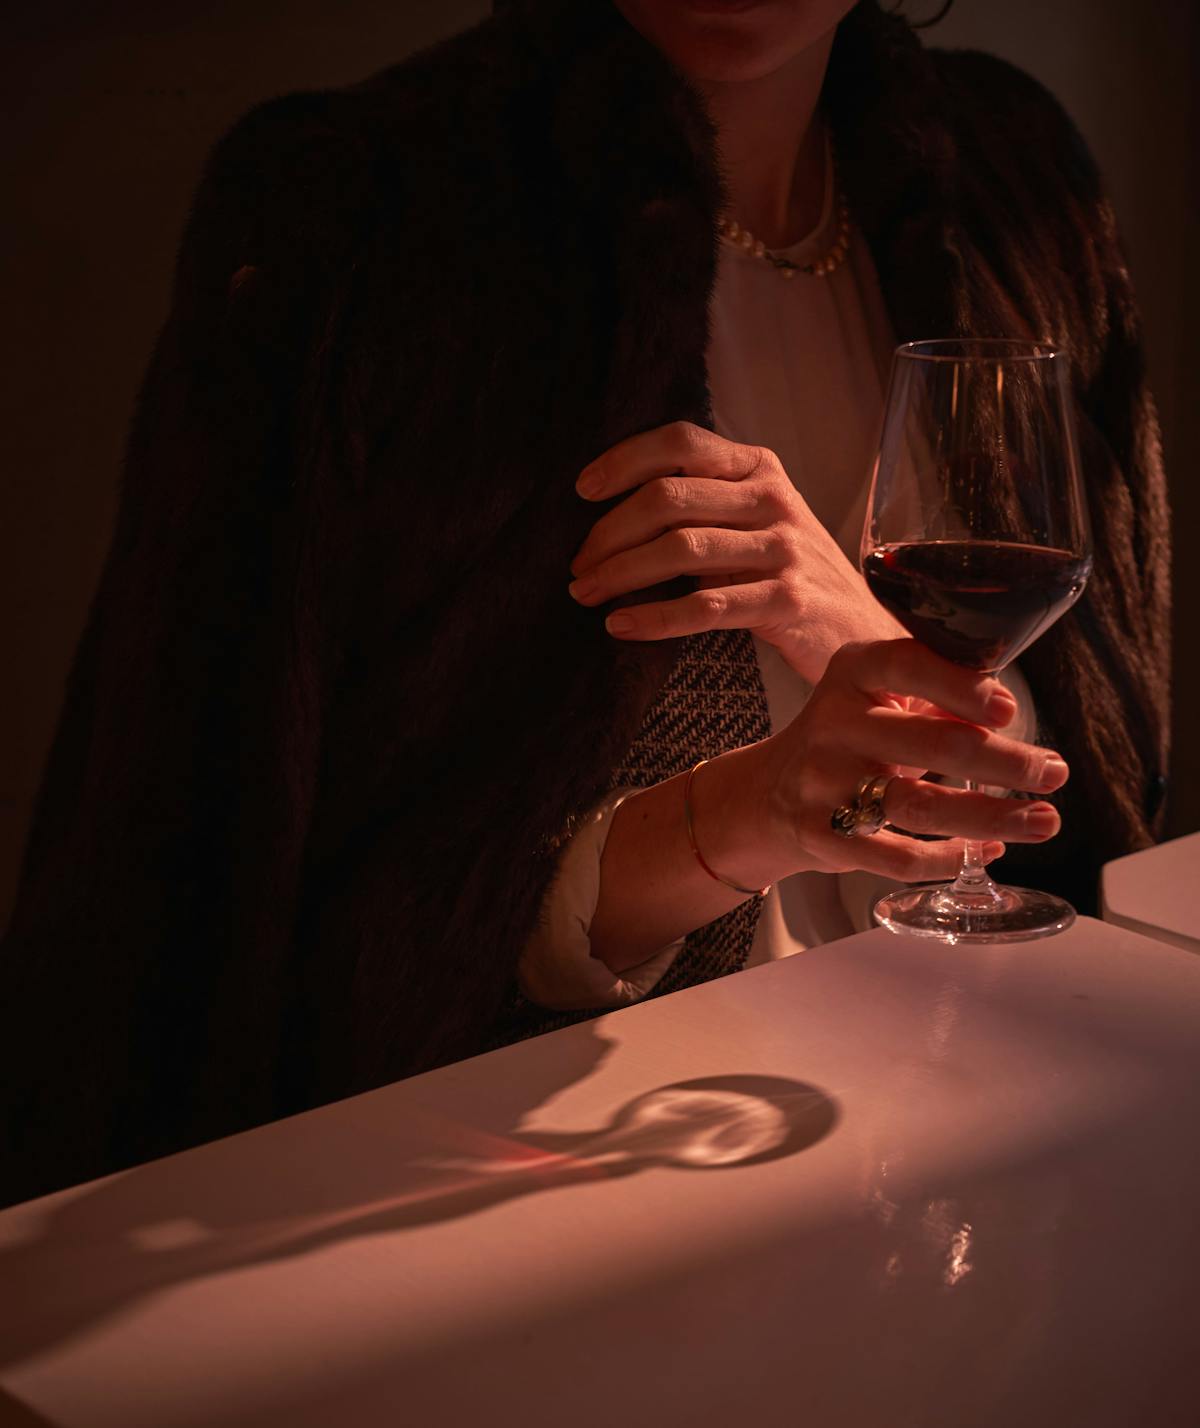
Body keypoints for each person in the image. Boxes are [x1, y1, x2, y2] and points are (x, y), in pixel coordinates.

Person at [0, 0, 1169, 1207]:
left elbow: (1091, 811)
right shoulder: (365, 209)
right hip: (576, 1186)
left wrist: (849, 629)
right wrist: (737, 817)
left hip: (1008, 1129)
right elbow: (246, 926)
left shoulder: (1014, 179)